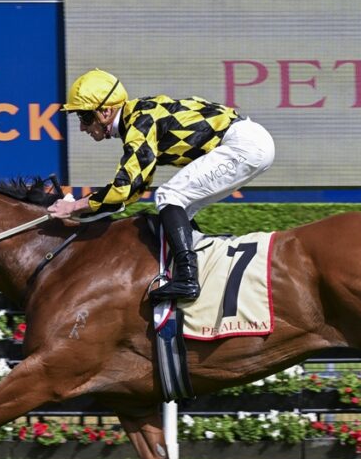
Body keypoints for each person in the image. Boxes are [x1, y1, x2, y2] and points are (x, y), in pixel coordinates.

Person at [47, 69, 275, 302]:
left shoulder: (139, 122)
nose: (82, 127)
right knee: (180, 211)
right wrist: (82, 210)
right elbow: (135, 190)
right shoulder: (137, 116)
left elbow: (124, 188)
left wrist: (74, 206)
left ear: (105, 111)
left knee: (169, 195)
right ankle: (202, 273)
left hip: (245, 145)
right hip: (250, 143)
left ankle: (187, 279)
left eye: (85, 117)